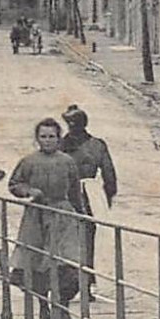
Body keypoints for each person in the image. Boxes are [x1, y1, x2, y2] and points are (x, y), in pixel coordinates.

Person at [7, 118, 84, 319]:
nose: (47, 141)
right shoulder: (29, 161)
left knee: (67, 265)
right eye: (43, 136)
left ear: (59, 138)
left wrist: (82, 217)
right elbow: (14, 184)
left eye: (52, 136)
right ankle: (43, 309)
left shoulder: (67, 161)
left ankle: (63, 309)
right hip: (37, 217)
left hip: (63, 216)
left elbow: (75, 192)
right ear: (37, 138)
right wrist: (29, 191)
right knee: (38, 266)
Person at [60, 105, 117, 293]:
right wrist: (106, 198)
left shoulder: (61, 145)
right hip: (89, 195)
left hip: (69, 193)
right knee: (87, 237)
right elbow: (109, 176)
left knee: (69, 237)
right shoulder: (97, 145)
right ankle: (85, 281)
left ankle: (77, 280)